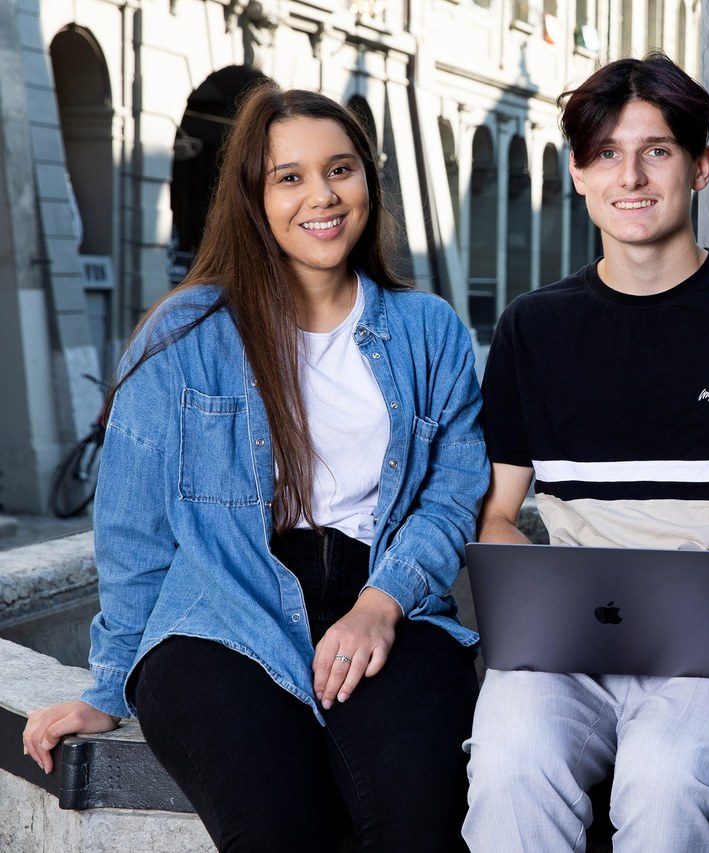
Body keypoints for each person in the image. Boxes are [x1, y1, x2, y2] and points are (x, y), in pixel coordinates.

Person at [22, 83, 486, 852]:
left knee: (420, 821)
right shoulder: (185, 332)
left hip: (383, 604)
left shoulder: (428, 330)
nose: (322, 195)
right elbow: (133, 530)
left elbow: (453, 490)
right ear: (253, 197)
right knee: (278, 829)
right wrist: (106, 685)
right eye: (290, 177)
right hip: (219, 611)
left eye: (341, 169)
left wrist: (384, 601)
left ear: (369, 180)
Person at [462, 52, 709, 852]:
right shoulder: (531, 329)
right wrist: (530, 586)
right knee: (508, 765)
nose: (632, 176)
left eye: (657, 150)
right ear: (579, 175)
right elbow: (500, 512)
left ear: (701, 166)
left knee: (666, 774)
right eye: (607, 153)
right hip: (569, 644)